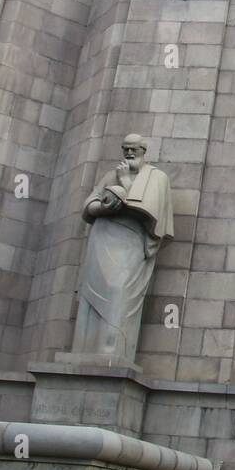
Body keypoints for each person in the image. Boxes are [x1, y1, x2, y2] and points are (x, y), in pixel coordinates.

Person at [70, 134, 173, 361]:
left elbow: (149, 210)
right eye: (125, 148)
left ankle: (111, 351)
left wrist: (126, 181)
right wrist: (103, 208)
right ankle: (85, 349)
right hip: (103, 237)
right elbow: (89, 205)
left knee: (119, 291)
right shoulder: (110, 175)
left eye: (133, 149)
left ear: (143, 150)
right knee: (91, 295)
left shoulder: (156, 177)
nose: (128, 153)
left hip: (131, 242)